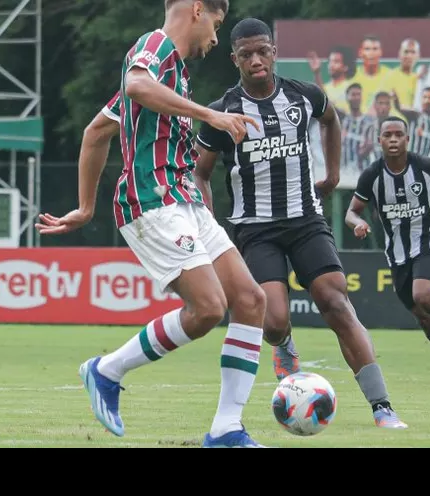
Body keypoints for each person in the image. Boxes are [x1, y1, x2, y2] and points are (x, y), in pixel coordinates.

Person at [34, 0, 271, 448]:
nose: (217, 39)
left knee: (250, 299)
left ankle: (225, 430)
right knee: (207, 309)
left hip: (185, 202)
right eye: (217, 25)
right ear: (198, 9)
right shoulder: (155, 46)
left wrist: (86, 208)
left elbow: (96, 133)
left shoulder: (176, 75)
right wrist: (209, 114)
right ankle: (106, 370)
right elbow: (136, 84)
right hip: (152, 200)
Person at [193, 17, 408, 429]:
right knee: (272, 322)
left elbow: (331, 120)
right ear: (234, 58)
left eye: (262, 51)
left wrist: (331, 175)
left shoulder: (304, 96)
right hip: (255, 229)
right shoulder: (223, 112)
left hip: (306, 219)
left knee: (336, 303)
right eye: (246, 55)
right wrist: (209, 222)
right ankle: (284, 343)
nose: (256, 60)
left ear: (273, 52)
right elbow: (201, 173)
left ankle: (382, 407)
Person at [343, 117, 430, 383]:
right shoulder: (371, 175)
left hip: (429, 242)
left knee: (424, 295)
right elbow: (351, 212)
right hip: (396, 254)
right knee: (424, 317)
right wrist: (357, 223)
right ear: (379, 140)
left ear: (408, 139)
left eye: (398, 134)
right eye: (387, 135)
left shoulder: (426, 166)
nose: (393, 139)